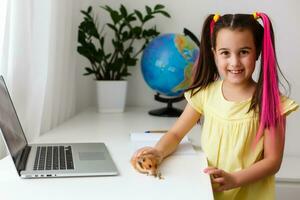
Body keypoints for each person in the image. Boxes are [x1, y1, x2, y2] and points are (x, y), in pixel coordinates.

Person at [131, 12, 299, 200]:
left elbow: (272, 161)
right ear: (214, 53)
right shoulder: (205, 94)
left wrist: (235, 179)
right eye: (225, 53)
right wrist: (159, 151)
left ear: (258, 51)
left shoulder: (271, 102)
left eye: (244, 52)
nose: (234, 62)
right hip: (208, 192)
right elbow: (176, 134)